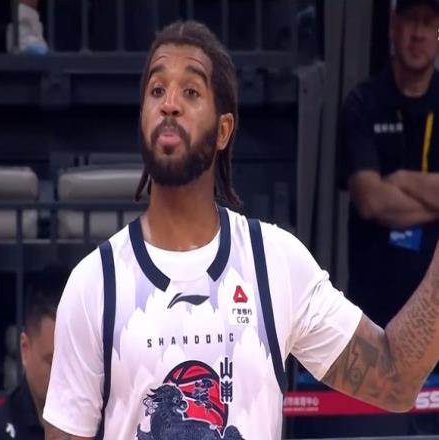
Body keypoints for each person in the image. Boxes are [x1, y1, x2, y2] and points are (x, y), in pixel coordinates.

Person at [43, 20, 439, 440]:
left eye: (190, 91)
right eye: (157, 90)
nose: (169, 104)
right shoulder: (94, 283)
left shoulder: (275, 262)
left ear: (223, 131)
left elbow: (395, 379)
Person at [341, 0, 439, 327]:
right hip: (374, 309)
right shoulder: (362, 102)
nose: (418, 34)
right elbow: (371, 201)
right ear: (393, 26)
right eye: (411, 20)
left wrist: (400, 180)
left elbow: (383, 196)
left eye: (429, 23)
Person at [0, 266, 68, 440]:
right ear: (25, 348)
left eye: (74, 362)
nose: (65, 375)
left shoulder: (107, 422)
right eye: (52, 362)